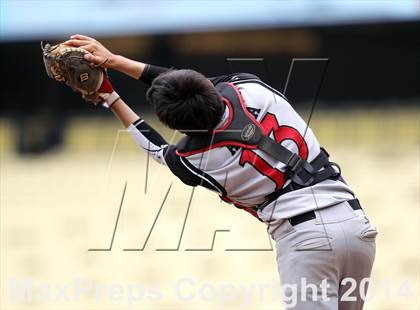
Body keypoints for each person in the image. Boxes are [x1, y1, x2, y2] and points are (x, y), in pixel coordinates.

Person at [65, 34, 377, 309]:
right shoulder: (249, 86)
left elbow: (157, 149)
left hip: (306, 243)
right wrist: (118, 61)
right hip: (356, 226)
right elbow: (192, 83)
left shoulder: (194, 157)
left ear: (180, 127)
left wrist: (110, 96)